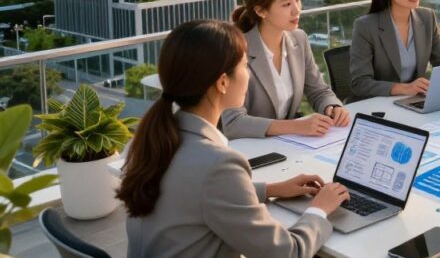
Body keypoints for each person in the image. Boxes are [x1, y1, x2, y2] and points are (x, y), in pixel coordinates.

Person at [118, 20, 350, 258]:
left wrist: (271, 189)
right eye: (245, 66)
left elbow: (192, 193)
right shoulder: (218, 164)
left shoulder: (155, 140)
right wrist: (319, 210)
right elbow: (287, 253)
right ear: (222, 82)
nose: (248, 74)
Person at [221, 0, 348, 139]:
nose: (297, 10)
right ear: (261, 11)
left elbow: (318, 91)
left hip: (289, 146)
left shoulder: (299, 39)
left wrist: (332, 107)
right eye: (287, 4)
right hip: (252, 150)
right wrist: (295, 126)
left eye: (298, 0)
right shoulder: (236, 50)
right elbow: (233, 123)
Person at [349, 0, 440, 100]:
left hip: (414, 101)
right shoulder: (365, 27)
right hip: (378, 105)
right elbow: (360, 83)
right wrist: (405, 88)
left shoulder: (427, 17)